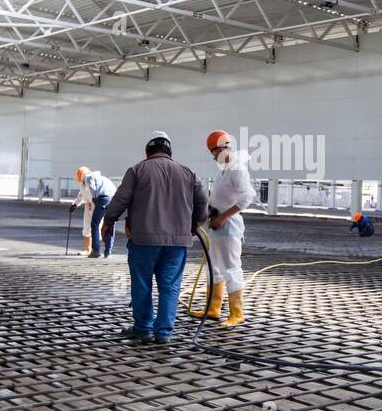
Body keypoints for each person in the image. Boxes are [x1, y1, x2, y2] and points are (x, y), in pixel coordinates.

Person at [102, 131, 207, 346]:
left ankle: (143, 329)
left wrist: (108, 221)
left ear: (148, 152)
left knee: (142, 285)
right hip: (177, 243)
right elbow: (203, 202)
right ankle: (163, 333)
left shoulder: (137, 170)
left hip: (144, 241)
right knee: (170, 287)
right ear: (170, 151)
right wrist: (193, 225)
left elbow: (121, 199)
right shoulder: (188, 173)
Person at [190, 130, 257, 328]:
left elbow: (247, 198)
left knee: (231, 268)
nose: (213, 158)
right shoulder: (224, 170)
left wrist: (223, 217)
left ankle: (237, 313)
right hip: (216, 226)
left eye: (213, 153)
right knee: (215, 268)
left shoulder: (238, 170)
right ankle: (213, 308)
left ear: (221, 148)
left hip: (229, 227)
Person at [77, 165, 116, 258]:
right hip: (113, 198)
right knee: (109, 223)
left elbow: (92, 188)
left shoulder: (88, 177)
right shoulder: (102, 178)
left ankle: (96, 251)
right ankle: (107, 251)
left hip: (103, 198)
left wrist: (94, 198)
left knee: (94, 224)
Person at [71, 172, 94, 256]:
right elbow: (80, 196)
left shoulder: (94, 182)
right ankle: (87, 249)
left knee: (96, 226)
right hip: (88, 206)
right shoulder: (82, 185)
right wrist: (75, 204)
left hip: (96, 205)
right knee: (86, 227)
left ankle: (95, 249)